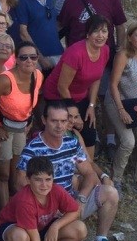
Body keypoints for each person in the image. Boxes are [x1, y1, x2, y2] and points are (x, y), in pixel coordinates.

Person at [17, 101, 122, 241]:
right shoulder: (33, 149)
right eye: (54, 121)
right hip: (45, 210)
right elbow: (21, 183)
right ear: (44, 121)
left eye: (63, 121)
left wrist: (80, 199)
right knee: (79, 231)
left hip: (69, 203)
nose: (59, 126)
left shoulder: (71, 143)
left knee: (110, 192)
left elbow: (89, 174)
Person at [0, 156, 84, 241]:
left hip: (41, 225)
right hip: (12, 228)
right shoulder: (24, 200)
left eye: (48, 179)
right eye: (38, 180)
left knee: (79, 229)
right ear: (28, 180)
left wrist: (56, 226)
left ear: (53, 179)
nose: (44, 185)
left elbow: (75, 211)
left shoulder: (56, 190)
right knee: (20, 239)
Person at [44, 14, 111, 158]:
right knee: (67, 131)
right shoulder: (76, 52)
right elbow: (62, 86)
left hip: (81, 96)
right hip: (58, 96)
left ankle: (89, 168)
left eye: (104, 31)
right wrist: (75, 115)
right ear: (88, 34)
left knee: (89, 129)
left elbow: (96, 79)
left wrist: (91, 106)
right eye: (96, 31)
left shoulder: (105, 50)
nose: (100, 35)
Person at [105, 23, 137, 200]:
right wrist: (120, 109)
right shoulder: (123, 56)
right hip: (118, 102)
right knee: (128, 141)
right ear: (129, 38)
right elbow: (112, 84)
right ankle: (116, 179)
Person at [0, 42, 42, 210]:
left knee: (16, 171)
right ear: (16, 60)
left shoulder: (38, 76)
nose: (29, 60)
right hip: (3, 128)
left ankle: (16, 209)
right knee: (3, 173)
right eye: (24, 57)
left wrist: (30, 121)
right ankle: (4, 213)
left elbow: (33, 101)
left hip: (21, 128)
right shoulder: (5, 80)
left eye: (33, 57)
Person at [14, 0, 63, 70]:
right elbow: (23, 32)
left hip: (56, 51)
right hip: (37, 57)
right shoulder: (23, 1)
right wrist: (39, 57)